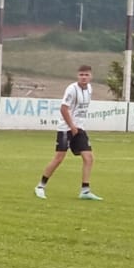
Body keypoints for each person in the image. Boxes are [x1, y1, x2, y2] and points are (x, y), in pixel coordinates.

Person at [36, 64, 101, 200]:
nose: (83, 77)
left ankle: (85, 190)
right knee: (59, 158)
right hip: (66, 128)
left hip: (80, 128)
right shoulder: (71, 89)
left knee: (89, 158)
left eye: (86, 75)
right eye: (81, 75)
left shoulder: (89, 89)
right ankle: (40, 186)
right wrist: (72, 126)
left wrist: (77, 127)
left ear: (91, 76)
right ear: (77, 76)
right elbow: (63, 109)